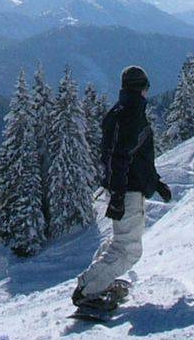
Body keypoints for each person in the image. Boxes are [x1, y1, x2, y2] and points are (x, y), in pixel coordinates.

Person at [73, 66, 173, 310]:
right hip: (127, 190)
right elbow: (120, 157)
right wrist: (118, 195)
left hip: (127, 187)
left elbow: (133, 157)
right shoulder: (131, 115)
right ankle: (89, 290)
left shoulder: (122, 112)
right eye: (147, 87)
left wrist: (155, 182)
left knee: (121, 242)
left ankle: (94, 282)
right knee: (128, 249)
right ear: (142, 87)